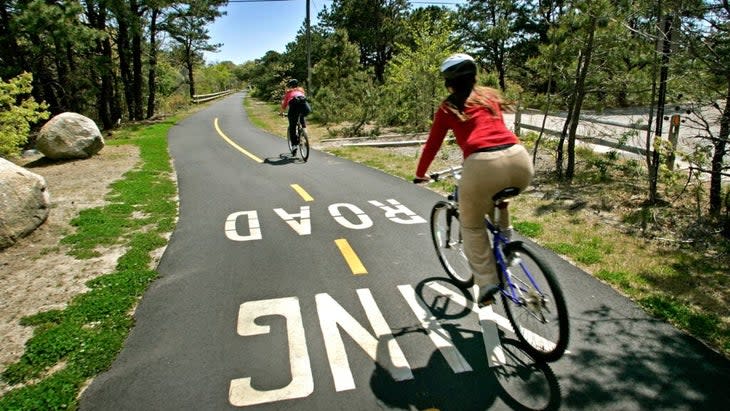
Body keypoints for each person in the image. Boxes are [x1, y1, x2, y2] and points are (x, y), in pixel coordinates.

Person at [414, 53, 534, 307]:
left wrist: (420, 173)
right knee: (498, 198)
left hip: (482, 165)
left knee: (471, 226)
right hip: (519, 159)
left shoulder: (449, 107)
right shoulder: (489, 97)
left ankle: (487, 282)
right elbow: (493, 132)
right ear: (474, 76)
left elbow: (433, 145)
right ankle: (507, 248)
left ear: (448, 82)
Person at [280, 79, 308, 155]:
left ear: (290, 86)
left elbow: (284, 105)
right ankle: (304, 132)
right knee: (301, 116)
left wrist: (281, 113)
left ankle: (294, 146)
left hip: (293, 109)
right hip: (304, 108)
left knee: (292, 127)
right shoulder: (301, 90)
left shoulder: (289, 93)